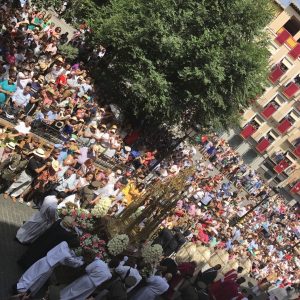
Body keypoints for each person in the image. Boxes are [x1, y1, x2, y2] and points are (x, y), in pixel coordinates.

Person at [15, 240, 83, 297]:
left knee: (31, 273)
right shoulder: (67, 256)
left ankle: (20, 284)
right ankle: (21, 290)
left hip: (44, 260)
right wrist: (82, 260)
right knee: (36, 279)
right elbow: (75, 264)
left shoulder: (63, 243)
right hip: (48, 267)